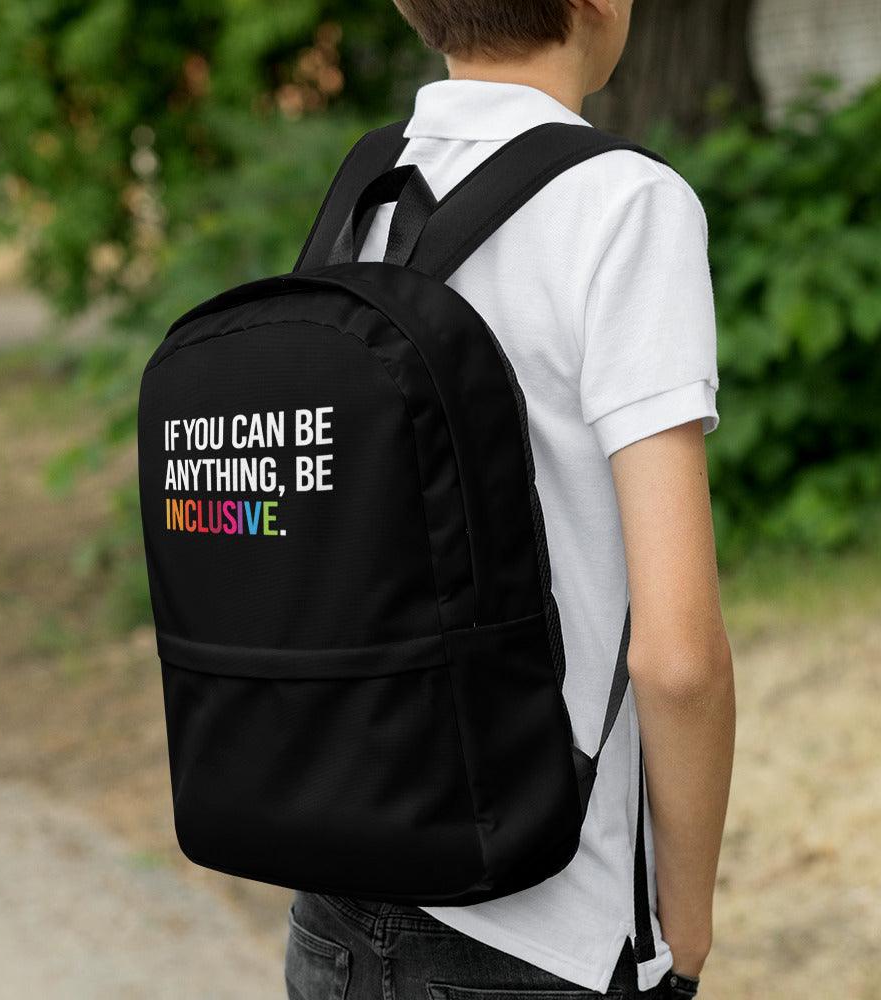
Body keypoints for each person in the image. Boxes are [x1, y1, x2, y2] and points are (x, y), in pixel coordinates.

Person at [285, 1, 735, 997]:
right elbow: (677, 657)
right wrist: (685, 927)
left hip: (335, 896)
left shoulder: (366, 189)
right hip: (544, 923)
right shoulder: (625, 203)